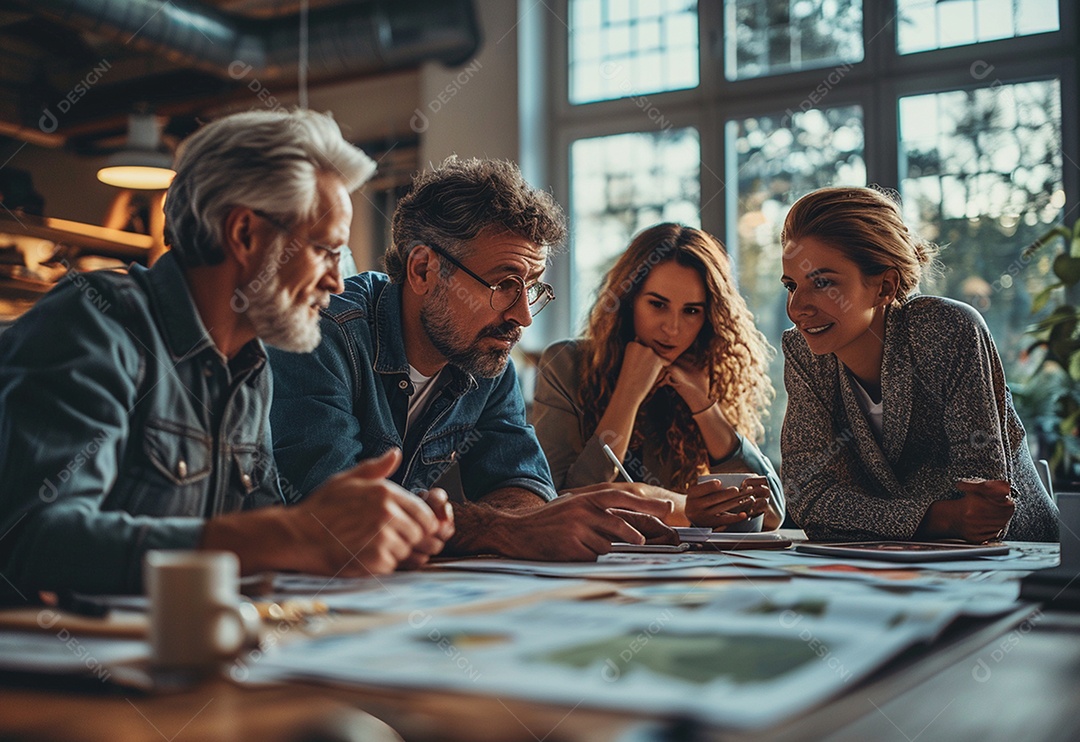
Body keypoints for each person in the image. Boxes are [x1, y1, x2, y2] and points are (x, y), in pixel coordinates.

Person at [0, 109, 454, 598]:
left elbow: (263, 540)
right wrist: (293, 534)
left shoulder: (252, 366)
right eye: (325, 250)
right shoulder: (93, 326)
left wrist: (357, 534)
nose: (336, 281)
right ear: (244, 234)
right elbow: (29, 542)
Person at [269, 156, 675, 561]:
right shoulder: (323, 335)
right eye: (503, 284)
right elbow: (341, 516)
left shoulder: (485, 357)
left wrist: (525, 523)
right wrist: (502, 528)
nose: (523, 316)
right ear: (424, 270)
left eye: (532, 287)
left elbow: (523, 484)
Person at [779, 186, 1058, 542]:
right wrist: (939, 517)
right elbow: (808, 498)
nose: (797, 307)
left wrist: (862, 512)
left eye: (822, 283)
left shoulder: (947, 330)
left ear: (885, 287)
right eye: (791, 285)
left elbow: (983, 508)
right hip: (893, 566)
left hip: (1024, 562)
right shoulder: (803, 352)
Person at [532, 223, 784, 530]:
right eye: (658, 305)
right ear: (628, 300)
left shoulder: (709, 372)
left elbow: (770, 514)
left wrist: (703, 406)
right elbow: (556, 501)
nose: (673, 328)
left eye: (691, 311)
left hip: (681, 570)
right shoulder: (566, 364)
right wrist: (629, 392)